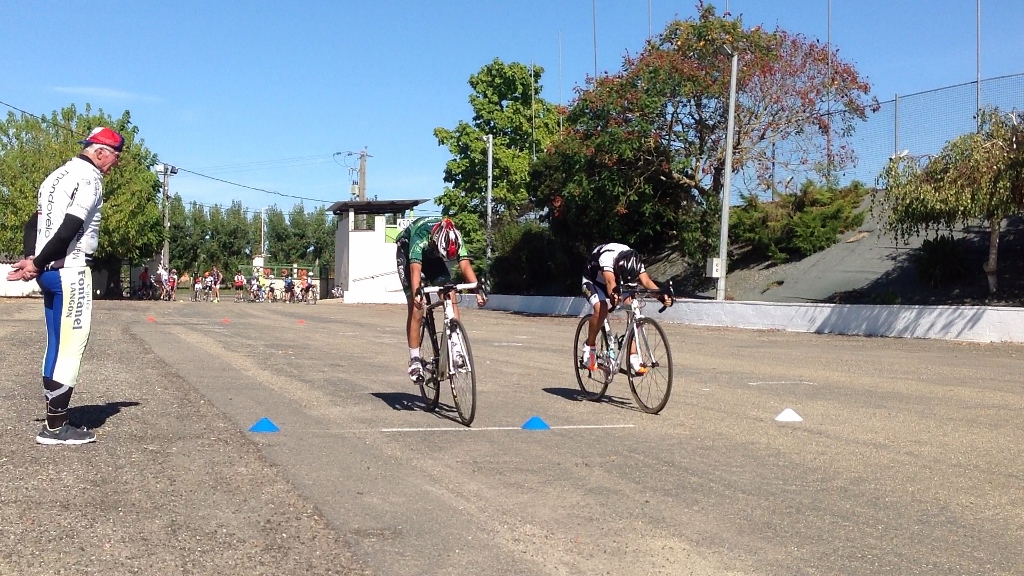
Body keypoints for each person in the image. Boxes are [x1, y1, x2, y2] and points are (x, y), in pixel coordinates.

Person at [6, 126, 124, 444]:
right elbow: (71, 226)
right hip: (69, 270)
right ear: (100, 152)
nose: (115, 165)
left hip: (50, 271)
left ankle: (55, 419)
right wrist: (37, 262)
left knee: (56, 344)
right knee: (71, 347)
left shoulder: (56, 176)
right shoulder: (89, 179)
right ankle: (56, 428)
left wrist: (34, 259)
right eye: (115, 157)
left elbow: (33, 222)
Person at [396, 216, 486, 382]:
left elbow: (465, 264)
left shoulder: (455, 237)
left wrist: (476, 288)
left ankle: (456, 348)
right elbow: (415, 270)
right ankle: (415, 360)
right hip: (408, 253)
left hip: (432, 256)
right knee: (417, 308)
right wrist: (418, 293)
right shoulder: (421, 235)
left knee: (450, 292)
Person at [579, 243, 673, 376]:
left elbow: (646, 282)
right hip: (593, 281)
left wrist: (661, 296)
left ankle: (632, 354)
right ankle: (590, 346)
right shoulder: (607, 257)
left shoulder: (635, 261)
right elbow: (610, 282)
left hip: (621, 281)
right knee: (602, 308)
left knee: (633, 305)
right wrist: (613, 296)